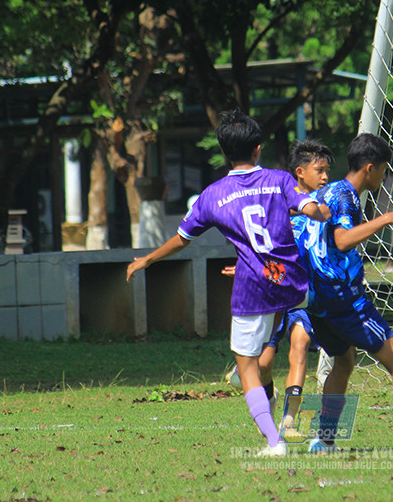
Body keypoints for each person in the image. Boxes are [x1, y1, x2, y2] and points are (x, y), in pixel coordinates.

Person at [125, 111, 330, 456]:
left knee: (244, 367)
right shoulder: (280, 180)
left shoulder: (211, 196)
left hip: (252, 289)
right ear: (258, 149)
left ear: (224, 151)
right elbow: (308, 205)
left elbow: (182, 238)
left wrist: (146, 259)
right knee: (271, 351)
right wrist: (320, 211)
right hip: (292, 283)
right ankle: (293, 392)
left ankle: (273, 440)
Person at [304, 133, 393, 454]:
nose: (385, 176)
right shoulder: (344, 195)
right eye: (384, 170)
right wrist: (387, 218)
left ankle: (324, 439)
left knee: (344, 361)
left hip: (317, 299)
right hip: (343, 300)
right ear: (369, 168)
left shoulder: (325, 192)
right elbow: (342, 240)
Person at [256, 140, 334, 432]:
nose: (325, 177)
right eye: (319, 171)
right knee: (263, 362)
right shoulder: (279, 205)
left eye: (327, 171)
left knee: (299, 346)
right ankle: (270, 396)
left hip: (305, 295)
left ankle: (289, 419)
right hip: (275, 294)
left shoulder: (326, 208)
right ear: (300, 173)